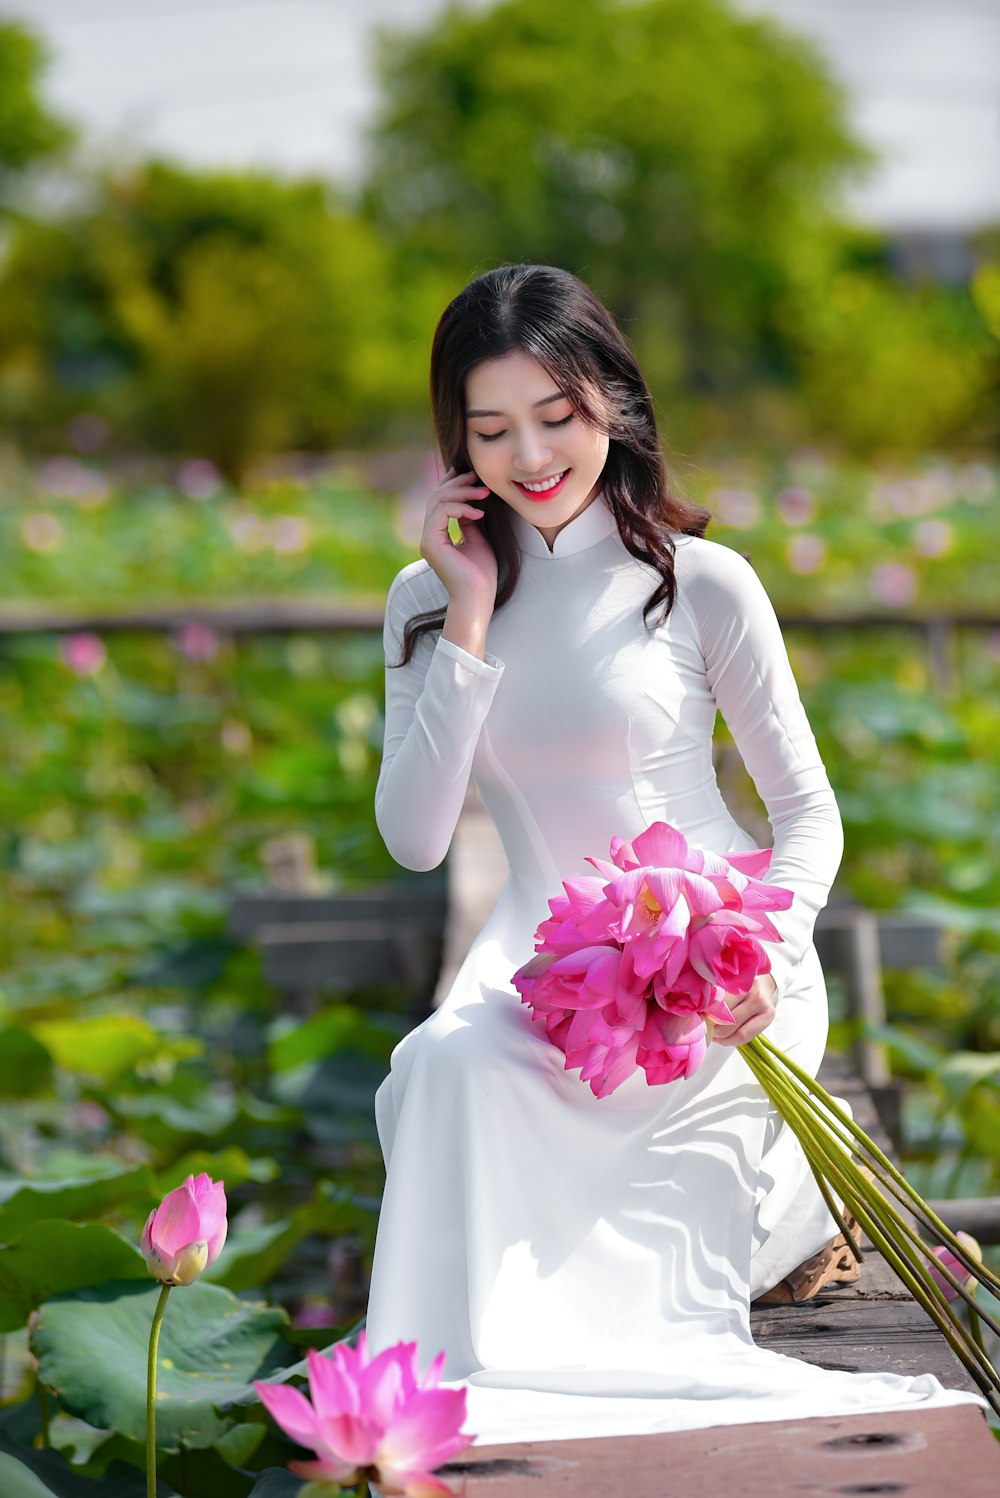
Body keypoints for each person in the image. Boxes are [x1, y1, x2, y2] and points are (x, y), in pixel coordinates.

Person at [365, 264, 987, 1447]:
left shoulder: (698, 583)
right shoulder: (427, 599)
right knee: (447, 1066)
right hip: (542, 974)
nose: (531, 454)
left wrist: (763, 948)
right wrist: (470, 619)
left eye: (557, 415)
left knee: (638, 1190)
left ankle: (781, 1221)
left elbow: (807, 813)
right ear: (455, 443)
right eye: (490, 429)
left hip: (716, 974)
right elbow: (415, 837)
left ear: (612, 399)